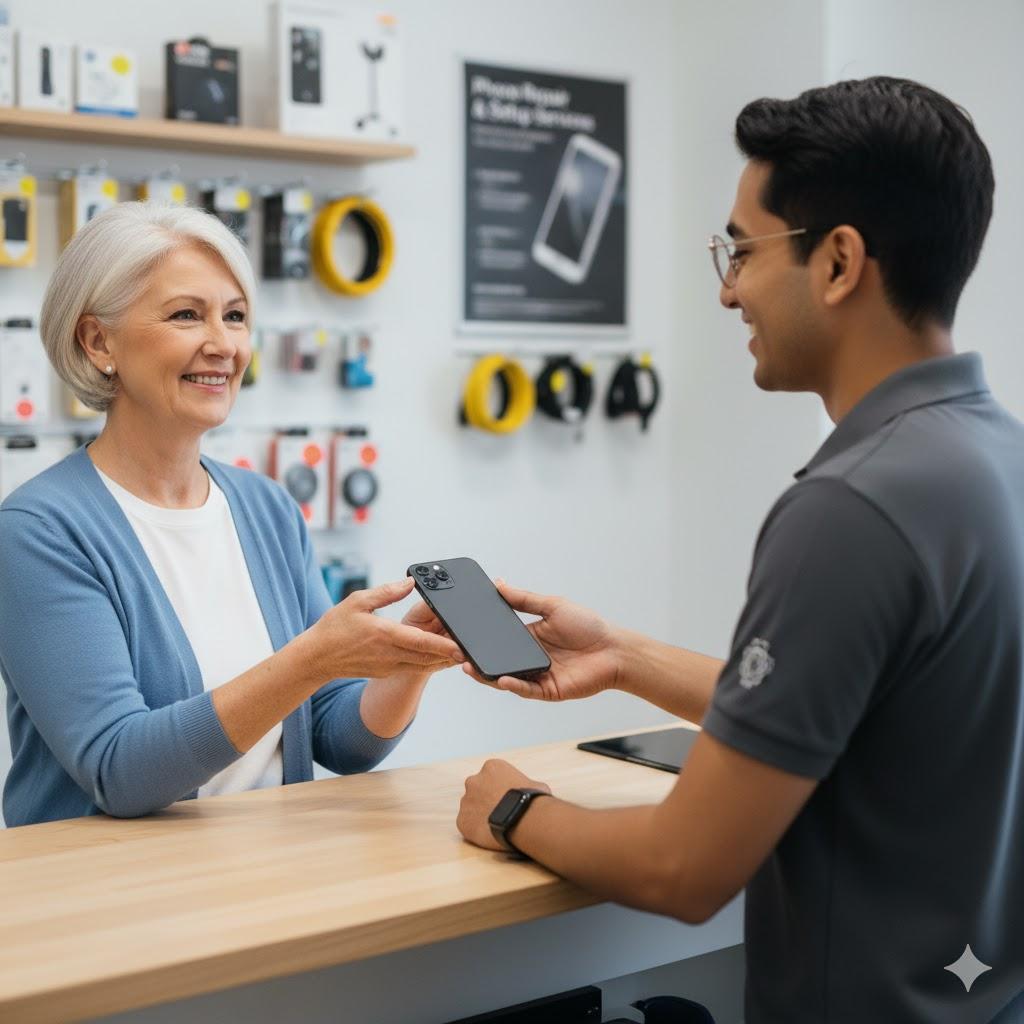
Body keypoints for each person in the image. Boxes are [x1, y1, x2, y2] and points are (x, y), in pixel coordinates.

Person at [456, 77, 1024, 1022]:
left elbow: (685, 868)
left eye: (743, 252)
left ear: (839, 263)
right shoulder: (995, 456)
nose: (727, 290)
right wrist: (625, 657)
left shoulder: (851, 505)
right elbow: (877, 720)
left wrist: (517, 811)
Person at [0, 202, 461, 828]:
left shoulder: (266, 507)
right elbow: (119, 770)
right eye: (187, 315)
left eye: (236, 316)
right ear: (97, 340)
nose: (224, 345)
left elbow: (339, 739)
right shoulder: (38, 532)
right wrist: (314, 659)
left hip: (264, 879)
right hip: (107, 902)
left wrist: (412, 661)